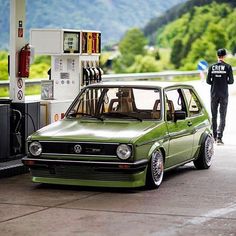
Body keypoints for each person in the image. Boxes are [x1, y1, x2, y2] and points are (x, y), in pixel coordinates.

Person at [206, 48, 234, 145]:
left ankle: (213, 136)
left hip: (214, 94)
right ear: (225, 56)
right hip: (224, 95)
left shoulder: (211, 67)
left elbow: (208, 81)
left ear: (217, 56)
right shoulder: (228, 67)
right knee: (222, 116)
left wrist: (215, 81)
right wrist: (223, 81)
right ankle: (219, 137)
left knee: (214, 116)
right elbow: (231, 81)